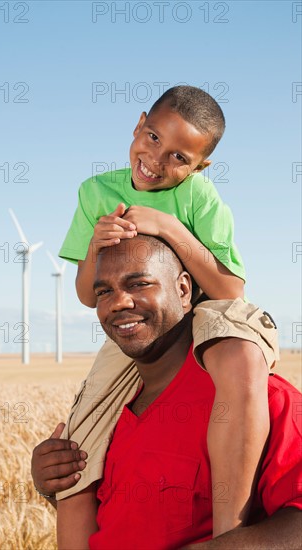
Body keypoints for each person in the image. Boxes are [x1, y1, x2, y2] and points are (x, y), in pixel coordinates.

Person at [56, 85, 279, 536]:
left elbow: (231, 288)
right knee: (78, 444)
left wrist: (170, 228)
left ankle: (227, 532)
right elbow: (86, 293)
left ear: (201, 167)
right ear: (139, 125)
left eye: (181, 158)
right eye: (154, 138)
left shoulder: (201, 198)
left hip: (203, 308)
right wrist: (95, 248)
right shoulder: (95, 191)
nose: (158, 160)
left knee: (239, 359)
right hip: (138, 320)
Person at [31, 235, 301, 549]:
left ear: (184, 290)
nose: (119, 302)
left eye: (139, 284)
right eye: (104, 291)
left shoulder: (257, 399)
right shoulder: (102, 416)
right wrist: (54, 483)